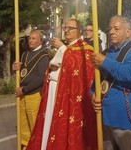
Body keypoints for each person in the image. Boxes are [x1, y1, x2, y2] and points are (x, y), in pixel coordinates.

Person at [27, 19, 97, 150]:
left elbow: (77, 66)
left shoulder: (85, 49)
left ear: (79, 31)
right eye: (65, 28)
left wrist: (62, 48)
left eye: (70, 28)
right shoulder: (68, 47)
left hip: (68, 95)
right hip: (54, 91)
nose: (66, 30)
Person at [91, 15, 131, 150]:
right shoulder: (106, 52)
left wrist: (105, 62)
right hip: (105, 117)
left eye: (116, 29)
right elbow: (97, 81)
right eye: (110, 28)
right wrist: (93, 94)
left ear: (128, 32)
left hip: (127, 118)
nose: (111, 32)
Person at [12, 30, 50, 150]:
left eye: (34, 38)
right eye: (29, 38)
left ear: (40, 40)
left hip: (34, 95)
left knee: (34, 126)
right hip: (22, 95)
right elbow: (22, 72)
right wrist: (15, 68)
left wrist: (24, 90)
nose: (30, 40)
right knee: (23, 127)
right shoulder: (24, 54)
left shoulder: (44, 55)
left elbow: (40, 79)